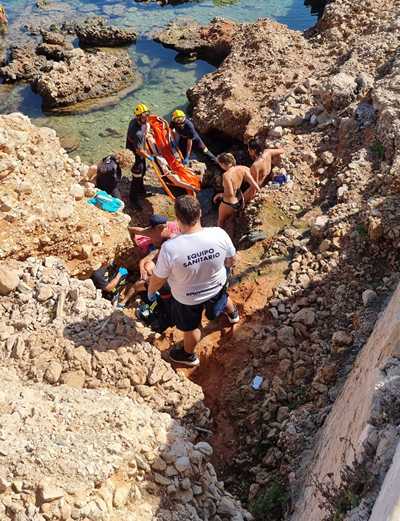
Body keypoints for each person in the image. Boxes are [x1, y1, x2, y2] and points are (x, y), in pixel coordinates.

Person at [148, 195, 239, 367]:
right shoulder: (219, 234)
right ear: (200, 213)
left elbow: (158, 279)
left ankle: (188, 355)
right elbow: (231, 260)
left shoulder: (170, 248)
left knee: (192, 327)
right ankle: (233, 315)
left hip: (187, 299)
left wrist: (151, 292)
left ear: (177, 218)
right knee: (223, 299)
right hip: (217, 286)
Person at [213, 153, 260, 228]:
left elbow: (230, 194)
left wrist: (219, 195)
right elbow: (255, 185)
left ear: (223, 164)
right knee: (231, 220)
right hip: (240, 202)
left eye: (220, 164)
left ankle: (220, 237)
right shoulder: (242, 169)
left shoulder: (226, 175)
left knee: (221, 221)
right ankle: (232, 235)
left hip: (228, 203)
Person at [126, 103, 155, 209]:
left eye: (147, 115)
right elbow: (139, 151)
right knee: (136, 177)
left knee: (142, 173)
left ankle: (142, 191)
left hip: (139, 153)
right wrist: (150, 157)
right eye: (144, 116)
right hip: (136, 157)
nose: (146, 117)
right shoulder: (137, 132)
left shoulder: (135, 121)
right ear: (138, 117)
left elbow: (145, 129)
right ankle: (133, 200)